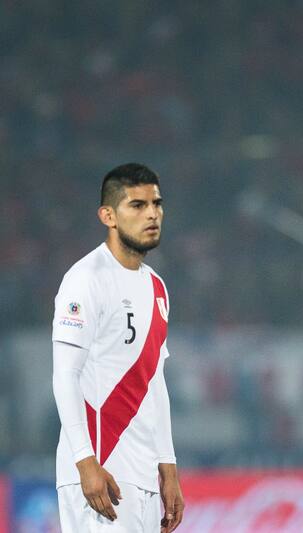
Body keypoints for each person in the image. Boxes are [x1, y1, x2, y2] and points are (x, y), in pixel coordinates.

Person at [52, 163, 184, 532]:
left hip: (142, 476)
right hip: (101, 470)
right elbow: (65, 375)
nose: (152, 214)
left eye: (156, 204)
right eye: (137, 205)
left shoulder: (156, 287)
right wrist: (84, 462)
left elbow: (154, 380)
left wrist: (168, 467)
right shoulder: (85, 280)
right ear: (108, 215)